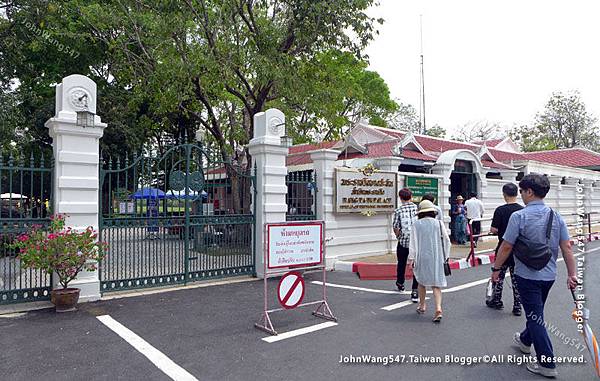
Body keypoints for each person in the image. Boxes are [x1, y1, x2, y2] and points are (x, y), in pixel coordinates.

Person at [491, 173, 577, 378]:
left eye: (522, 191)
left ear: (529, 191)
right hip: (549, 276)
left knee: (536, 318)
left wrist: (496, 269)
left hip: (526, 276)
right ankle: (524, 341)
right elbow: (566, 247)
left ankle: (547, 363)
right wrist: (572, 274)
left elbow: (506, 246)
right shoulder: (556, 216)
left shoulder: (519, 216)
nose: (520, 195)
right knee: (535, 313)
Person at [409, 200, 450, 322]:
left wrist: (411, 259)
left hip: (422, 256)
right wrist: (446, 256)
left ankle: (422, 305)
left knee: (421, 281)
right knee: (436, 284)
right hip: (437, 256)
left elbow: (413, 244)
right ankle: (438, 308)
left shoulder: (416, 224)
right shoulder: (439, 223)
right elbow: (447, 241)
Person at [486, 183, 523, 315]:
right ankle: (517, 305)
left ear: (504, 194)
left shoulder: (500, 210)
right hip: (518, 250)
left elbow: (494, 229)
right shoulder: (522, 210)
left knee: (499, 275)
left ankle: (496, 300)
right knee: (516, 278)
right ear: (517, 193)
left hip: (503, 247)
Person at [392, 188, 419, 302]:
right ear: (411, 196)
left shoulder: (398, 210)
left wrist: (399, 237)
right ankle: (415, 290)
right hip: (417, 242)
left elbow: (396, 227)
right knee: (416, 266)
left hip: (403, 242)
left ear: (400, 198)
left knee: (401, 263)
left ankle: (400, 283)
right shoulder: (417, 208)